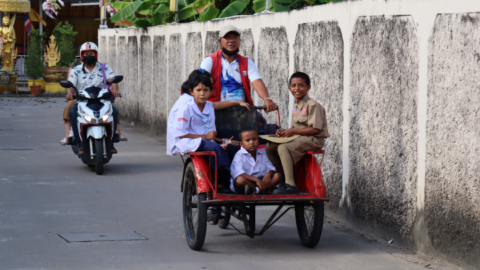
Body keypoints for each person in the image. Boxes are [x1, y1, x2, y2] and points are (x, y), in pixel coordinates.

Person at [168, 70, 250, 188]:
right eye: (198, 90)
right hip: (190, 141)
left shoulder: (209, 106)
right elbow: (181, 135)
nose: (202, 94)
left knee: (233, 147)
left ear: (211, 92)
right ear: (192, 92)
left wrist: (225, 140)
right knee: (217, 149)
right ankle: (223, 180)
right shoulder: (185, 109)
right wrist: (205, 137)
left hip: (206, 139)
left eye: (206, 90)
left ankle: (237, 177)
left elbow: (214, 114)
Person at [265, 72, 330, 195]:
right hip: (299, 138)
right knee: (270, 147)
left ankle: (290, 184)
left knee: (283, 147)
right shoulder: (296, 105)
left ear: (308, 87)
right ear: (290, 88)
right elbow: (295, 128)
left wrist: (293, 131)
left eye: (301, 85)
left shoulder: (313, 105)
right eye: (294, 85)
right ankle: (278, 179)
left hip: (313, 139)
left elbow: (315, 130)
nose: (297, 89)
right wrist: (284, 132)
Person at [199, 25, 278, 111]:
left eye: (235, 37)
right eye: (227, 37)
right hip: (215, 111)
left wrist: (267, 99)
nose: (232, 40)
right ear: (220, 41)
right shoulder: (210, 61)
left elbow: (257, 81)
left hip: (242, 112)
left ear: (239, 41)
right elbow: (198, 82)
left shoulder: (247, 62)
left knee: (263, 123)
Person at [68, 42, 121, 155]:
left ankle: (111, 142)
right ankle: (78, 143)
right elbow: (70, 85)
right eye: (86, 53)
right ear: (82, 55)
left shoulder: (104, 67)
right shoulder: (76, 70)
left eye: (91, 53)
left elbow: (113, 79)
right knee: (72, 111)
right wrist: (70, 93)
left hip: (102, 100)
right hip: (83, 101)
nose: (89, 55)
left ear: (96, 54)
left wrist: (115, 90)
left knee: (114, 111)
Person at [230, 129, 282, 195]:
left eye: (254, 139)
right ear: (241, 144)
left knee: (278, 176)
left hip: (261, 180)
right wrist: (256, 180)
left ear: (258, 140)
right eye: (247, 140)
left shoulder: (262, 154)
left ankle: (257, 190)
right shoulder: (239, 155)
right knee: (240, 180)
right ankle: (263, 189)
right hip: (248, 182)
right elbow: (240, 173)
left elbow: (271, 168)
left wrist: (268, 174)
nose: (252, 142)